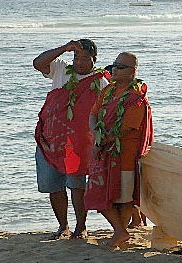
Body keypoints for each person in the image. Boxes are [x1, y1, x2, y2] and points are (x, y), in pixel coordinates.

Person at [33, 39, 110, 239]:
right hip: (50, 139)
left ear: (94, 59)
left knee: (77, 184)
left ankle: (81, 227)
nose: (79, 62)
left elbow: (106, 113)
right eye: (76, 56)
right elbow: (37, 63)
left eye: (85, 58)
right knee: (53, 185)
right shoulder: (61, 69)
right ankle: (63, 226)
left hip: (79, 144)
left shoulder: (100, 81)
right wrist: (63, 48)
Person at [84, 52, 153, 248]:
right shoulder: (108, 91)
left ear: (132, 72)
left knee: (123, 200)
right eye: (114, 65)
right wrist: (97, 137)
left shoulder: (136, 99)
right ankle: (120, 232)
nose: (114, 69)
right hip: (103, 151)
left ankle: (119, 233)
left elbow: (125, 130)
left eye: (120, 66)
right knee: (97, 193)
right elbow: (93, 114)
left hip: (124, 156)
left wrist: (101, 142)